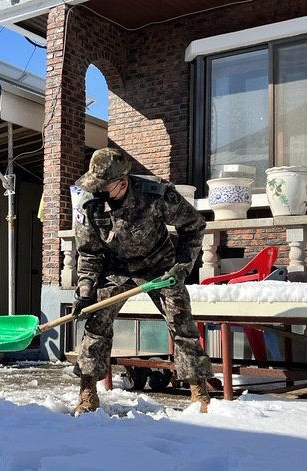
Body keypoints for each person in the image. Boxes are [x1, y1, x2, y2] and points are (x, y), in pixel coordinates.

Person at [70, 147, 213, 415]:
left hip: (159, 266)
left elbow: (194, 225)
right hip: (116, 267)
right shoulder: (89, 202)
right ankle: (87, 391)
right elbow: (89, 252)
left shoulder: (156, 194)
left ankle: (198, 391)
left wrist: (181, 267)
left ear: (122, 183)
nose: (97, 191)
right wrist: (85, 290)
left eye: (104, 187)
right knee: (96, 323)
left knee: (181, 321)